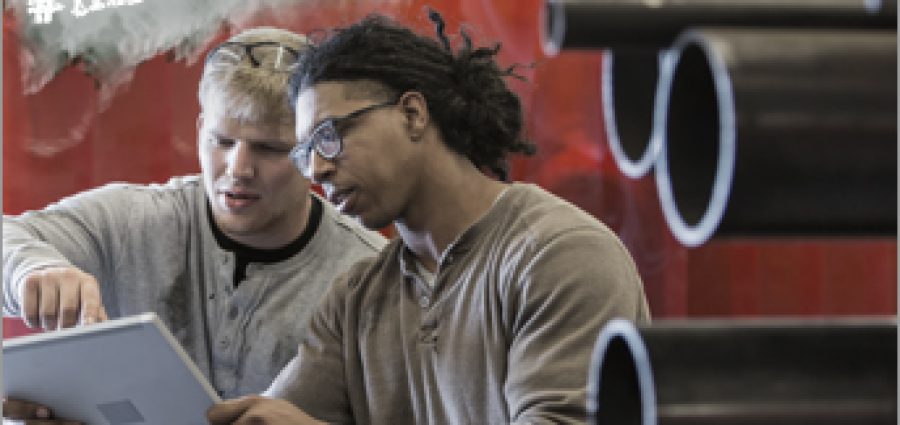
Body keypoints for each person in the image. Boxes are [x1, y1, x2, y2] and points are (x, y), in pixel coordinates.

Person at [209, 12, 650, 424]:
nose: (318, 169)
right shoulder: (357, 299)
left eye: (329, 136)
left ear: (413, 114)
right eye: (305, 153)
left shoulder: (559, 255)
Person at [2, 27, 386, 420]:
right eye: (222, 141)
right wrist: (31, 269)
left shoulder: (371, 277)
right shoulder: (132, 222)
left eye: (269, 149)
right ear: (200, 130)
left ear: (315, 152)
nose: (238, 169)